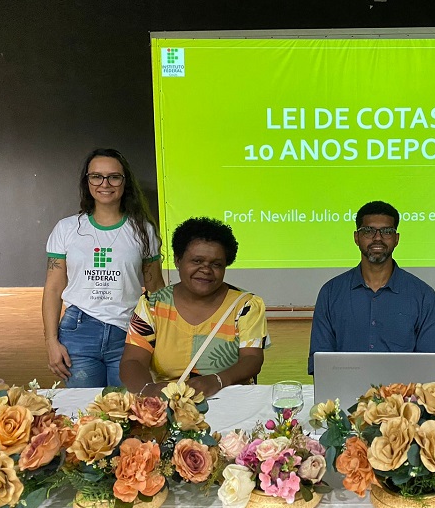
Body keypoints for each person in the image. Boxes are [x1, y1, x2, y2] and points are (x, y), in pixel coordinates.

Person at [43, 148, 164, 387]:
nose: (104, 183)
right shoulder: (66, 229)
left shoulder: (143, 230)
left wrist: (163, 337)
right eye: (96, 176)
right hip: (78, 332)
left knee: (127, 413)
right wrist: (51, 342)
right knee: (83, 414)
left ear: (124, 182)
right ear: (87, 181)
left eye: (114, 177)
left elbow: (156, 288)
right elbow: (53, 289)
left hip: (129, 333)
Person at [120, 217, 269, 397]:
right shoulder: (152, 304)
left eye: (216, 264)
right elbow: (133, 360)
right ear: (177, 260)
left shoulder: (246, 305)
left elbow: (252, 359)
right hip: (168, 403)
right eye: (197, 261)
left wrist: (217, 380)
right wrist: (148, 390)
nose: (206, 269)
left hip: (230, 400)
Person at [308, 201, 435, 375]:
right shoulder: (330, 293)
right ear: (356, 237)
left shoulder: (423, 295)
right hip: (345, 397)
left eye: (387, 231)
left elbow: (432, 364)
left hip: (403, 399)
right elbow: (320, 363)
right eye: (368, 231)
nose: (378, 238)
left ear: (396, 239)